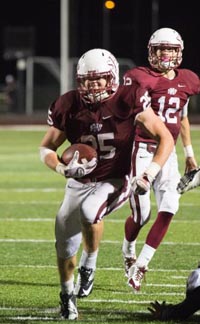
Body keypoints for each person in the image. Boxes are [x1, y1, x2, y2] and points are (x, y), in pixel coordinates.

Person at [39, 48, 174, 320]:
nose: (92, 85)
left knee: (91, 211)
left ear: (111, 77)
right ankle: (67, 296)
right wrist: (61, 167)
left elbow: (166, 138)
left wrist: (149, 173)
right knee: (64, 244)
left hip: (115, 178)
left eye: (98, 79)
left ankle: (89, 266)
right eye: (87, 80)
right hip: (78, 182)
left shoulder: (128, 99)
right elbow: (46, 148)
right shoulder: (69, 104)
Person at [121, 27, 200, 292]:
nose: (165, 54)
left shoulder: (187, 80)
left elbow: (182, 117)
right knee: (142, 215)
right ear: (151, 52)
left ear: (179, 52)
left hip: (169, 155)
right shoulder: (139, 78)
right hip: (143, 149)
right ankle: (128, 248)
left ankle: (140, 266)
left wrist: (189, 154)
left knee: (170, 207)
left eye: (170, 49)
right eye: (160, 49)